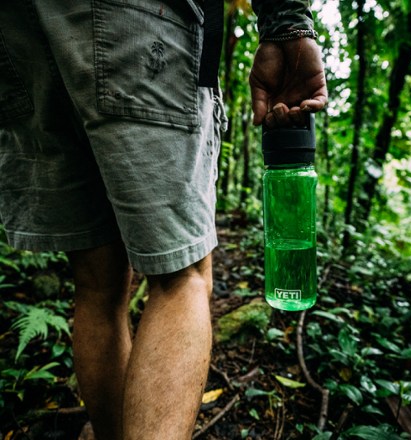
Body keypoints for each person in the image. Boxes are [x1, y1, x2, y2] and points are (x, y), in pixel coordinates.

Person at [0, 0, 326, 438]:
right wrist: (286, 20)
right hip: (137, 21)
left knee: (97, 284)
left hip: (16, 30)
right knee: (182, 276)